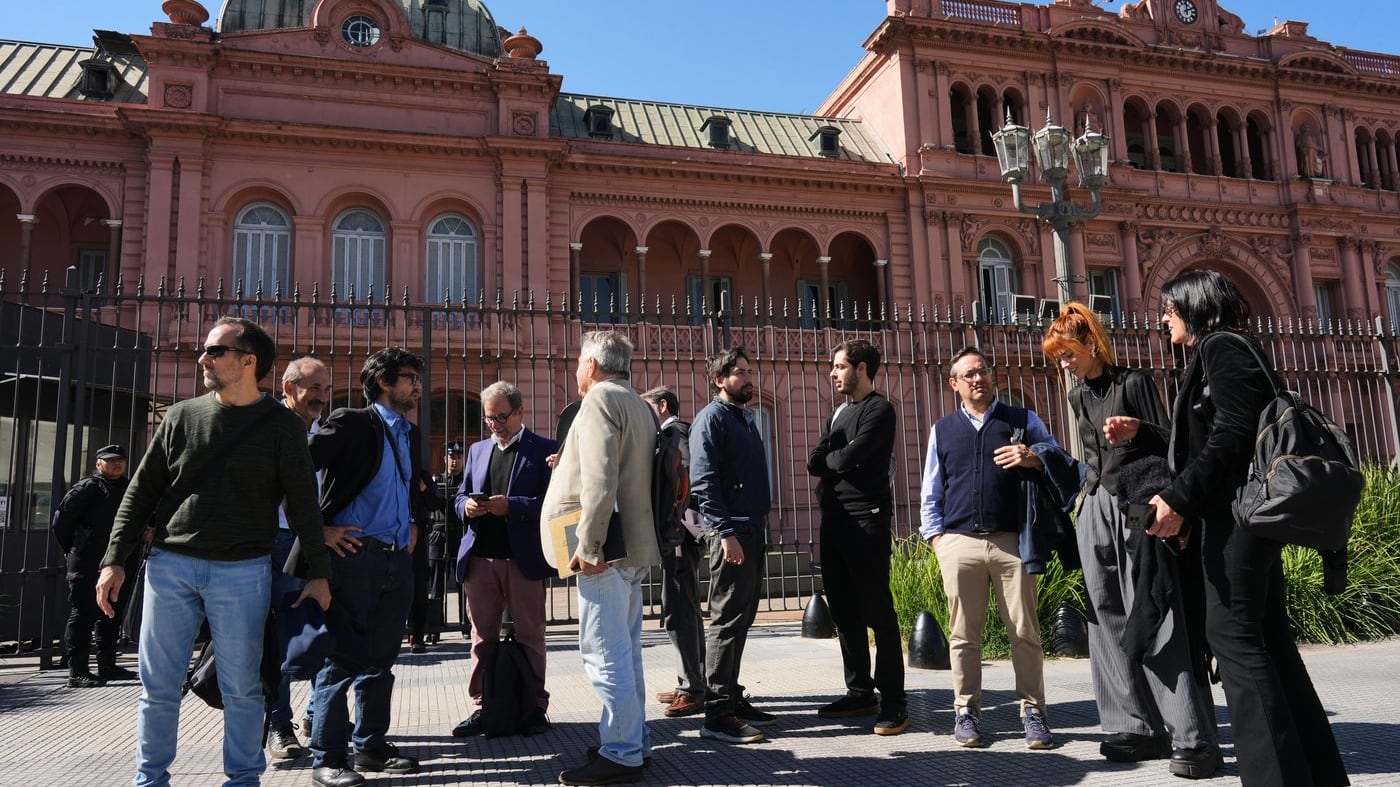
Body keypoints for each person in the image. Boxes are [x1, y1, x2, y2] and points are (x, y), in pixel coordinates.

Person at [1118, 270, 1349, 787]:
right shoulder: (1227, 350)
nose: (1163, 319)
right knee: (1269, 644)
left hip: (1237, 523)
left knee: (1235, 641)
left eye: (1170, 309)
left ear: (1195, 306)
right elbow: (1215, 436)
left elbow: (1233, 436)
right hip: (1236, 518)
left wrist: (1178, 499)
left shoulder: (1222, 347)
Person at [95, 316, 331, 787]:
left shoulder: (282, 425)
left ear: (248, 362)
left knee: (242, 687)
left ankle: (243, 779)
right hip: (170, 566)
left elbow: (303, 503)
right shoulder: (181, 416)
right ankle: (150, 779)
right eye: (205, 349)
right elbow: (140, 493)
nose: (203, 358)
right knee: (158, 687)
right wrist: (113, 560)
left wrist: (318, 573)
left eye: (215, 351)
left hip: (243, 571)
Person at [1042, 304, 1221, 778]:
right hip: (1096, 504)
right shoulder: (1077, 395)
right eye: (1058, 357)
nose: (1064, 363)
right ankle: (1134, 727)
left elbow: (1174, 444)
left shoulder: (1134, 383)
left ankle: (1193, 736)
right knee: (1104, 615)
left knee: (1155, 609)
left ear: (1091, 343)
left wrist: (1138, 429)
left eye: (1068, 353)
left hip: (1140, 504)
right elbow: (1092, 458)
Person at [918, 346, 1055, 750]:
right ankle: (966, 711)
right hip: (959, 542)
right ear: (954, 384)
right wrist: (938, 539)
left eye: (983, 371)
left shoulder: (1023, 420)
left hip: (1012, 542)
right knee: (963, 635)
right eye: (969, 374)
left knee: (1025, 631)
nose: (978, 379)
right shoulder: (943, 429)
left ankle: (1033, 712)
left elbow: (1057, 459)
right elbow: (931, 490)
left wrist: (1033, 456)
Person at [542, 330, 661, 786]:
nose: (576, 369)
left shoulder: (598, 400)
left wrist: (588, 545)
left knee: (604, 653)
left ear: (591, 364)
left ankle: (622, 752)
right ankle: (634, 741)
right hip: (632, 546)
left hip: (604, 551)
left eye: (578, 362)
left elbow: (601, 477)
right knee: (626, 652)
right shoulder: (638, 404)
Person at [306, 347, 427, 787]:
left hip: (396, 558)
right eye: (409, 377)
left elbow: (410, 485)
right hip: (355, 557)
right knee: (341, 658)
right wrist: (318, 529)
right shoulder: (352, 422)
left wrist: (413, 521)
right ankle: (327, 758)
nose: (417, 386)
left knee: (381, 659)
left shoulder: (410, 433)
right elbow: (294, 467)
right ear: (383, 382)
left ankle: (371, 746)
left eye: (417, 378)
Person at [807, 340, 908, 735]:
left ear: (861, 368)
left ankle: (894, 701)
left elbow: (849, 457)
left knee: (876, 610)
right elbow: (815, 461)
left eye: (839, 366)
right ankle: (860, 691)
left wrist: (836, 460)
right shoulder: (838, 412)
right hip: (834, 521)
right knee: (844, 610)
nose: (833, 373)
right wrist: (837, 460)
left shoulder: (880, 410)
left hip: (867, 520)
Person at [449, 381, 558, 738]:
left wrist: (511, 506)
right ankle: (483, 706)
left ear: (520, 411)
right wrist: (466, 506)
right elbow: (459, 494)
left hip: (522, 561)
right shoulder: (478, 450)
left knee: (530, 635)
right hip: (480, 560)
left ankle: (535, 707)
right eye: (489, 418)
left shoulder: (544, 449)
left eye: (501, 417)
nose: (495, 424)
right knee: (481, 638)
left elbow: (553, 502)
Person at [689, 346, 776, 744]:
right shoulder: (712, 419)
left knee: (741, 620)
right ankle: (717, 714)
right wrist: (725, 533)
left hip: (752, 530)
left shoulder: (744, 419)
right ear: (719, 380)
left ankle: (732, 699)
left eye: (748, 370)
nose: (747, 377)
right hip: (733, 534)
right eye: (739, 372)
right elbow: (704, 481)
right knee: (725, 622)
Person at [267, 356, 332, 760]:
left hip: (317, 545)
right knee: (281, 639)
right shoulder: (269, 425)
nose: (321, 397)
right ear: (289, 388)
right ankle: (279, 727)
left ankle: (317, 716)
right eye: (314, 389)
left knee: (322, 633)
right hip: (277, 544)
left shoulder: (325, 431)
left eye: (326, 389)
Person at [641, 386, 706, 719]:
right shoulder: (668, 435)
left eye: (647, 408)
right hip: (677, 532)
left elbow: (686, 480)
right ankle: (692, 681)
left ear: (662, 406)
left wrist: (675, 522)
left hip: (678, 533)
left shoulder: (675, 433)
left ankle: (692, 688)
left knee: (679, 609)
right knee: (684, 608)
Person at [52, 443, 139, 688]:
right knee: (83, 613)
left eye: (120, 460)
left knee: (112, 611)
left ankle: (107, 665)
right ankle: (77, 671)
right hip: (88, 559)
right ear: (99, 463)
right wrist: (73, 548)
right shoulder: (87, 488)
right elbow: (61, 522)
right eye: (110, 460)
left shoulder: (128, 487)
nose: (116, 464)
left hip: (119, 560)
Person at [428, 441, 469, 643]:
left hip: (460, 534)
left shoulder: (468, 482)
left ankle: (466, 624)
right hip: (439, 534)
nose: (455, 461)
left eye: (459, 458)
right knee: (436, 584)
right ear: (445, 459)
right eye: (452, 457)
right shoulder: (436, 480)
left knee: (464, 581)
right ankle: (434, 626)